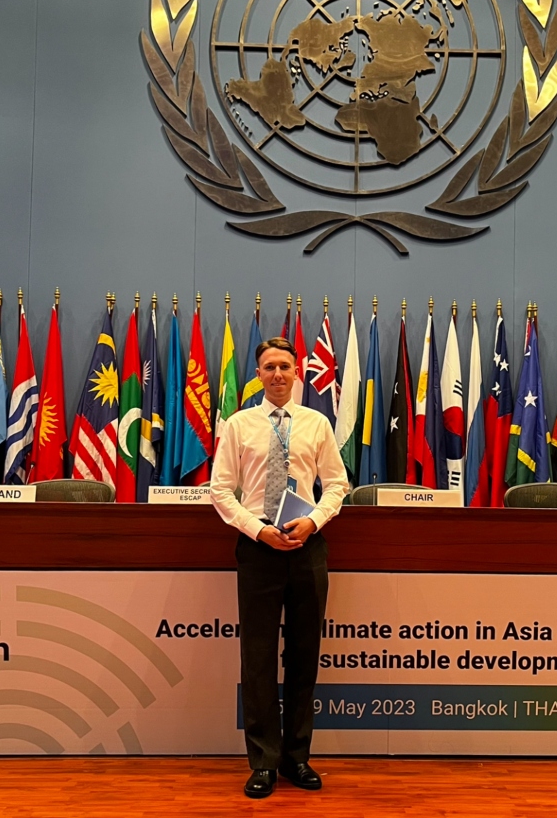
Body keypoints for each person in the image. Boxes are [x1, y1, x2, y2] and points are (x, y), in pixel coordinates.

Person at [210, 336, 349, 799]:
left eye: (285, 367)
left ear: (299, 371)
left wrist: (312, 520)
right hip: (258, 547)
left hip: (307, 546)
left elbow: (336, 485)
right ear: (258, 373)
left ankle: (297, 758)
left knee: (304, 656)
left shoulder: (316, 423)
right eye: (268, 367)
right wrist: (258, 529)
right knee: (259, 658)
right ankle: (263, 762)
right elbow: (221, 490)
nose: (277, 374)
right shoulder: (237, 424)